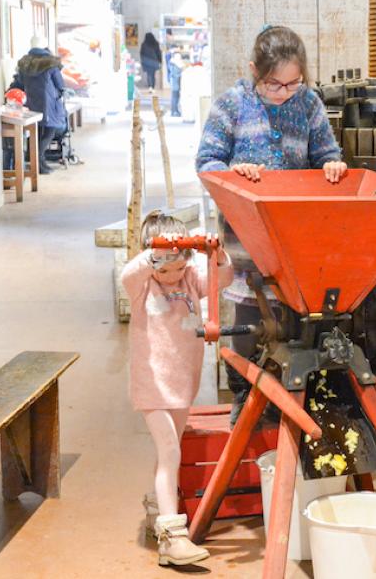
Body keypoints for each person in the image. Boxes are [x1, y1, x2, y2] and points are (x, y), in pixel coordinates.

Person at [195, 24, 347, 424]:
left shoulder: (309, 103)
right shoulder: (230, 105)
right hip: (246, 238)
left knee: (294, 322)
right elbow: (206, 162)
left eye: (293, 83)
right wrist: (232, 171)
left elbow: (327, 153)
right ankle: (244, 397)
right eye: (274, 84)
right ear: (253, 71)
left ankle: (290, 400)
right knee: (246, 323)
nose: (285, 92)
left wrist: (332, 165)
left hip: (295, 238)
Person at [121, 211, 234, 567]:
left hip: (183, 382)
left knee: (169, 450)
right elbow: (130, 273)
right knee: (170, 452)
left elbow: (224, 277)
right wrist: (157, 251)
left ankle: (157, 508)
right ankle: (173, 536)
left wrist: (212, 249)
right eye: (163, 269)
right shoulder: (142, 285)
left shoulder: (189, 279)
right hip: (151, 381)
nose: (171, 276)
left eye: (177, 267)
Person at [10, 36, 66, 174]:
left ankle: (39, 163)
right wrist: (58, 95)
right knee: (50, 131)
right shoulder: (51, 64)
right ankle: (39, 162)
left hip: (30, 103)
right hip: (49, 103)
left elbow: (20, 82)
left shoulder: (24, 63)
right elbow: (60, 85)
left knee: (35, 133)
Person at [167, 48, 185, 117]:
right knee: (175, 96)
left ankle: (175, 110)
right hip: (175, 81)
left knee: (175, 96)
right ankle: (174, 111)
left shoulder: (171, 62)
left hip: (174, 81)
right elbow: (181, 66)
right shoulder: (175, 63)